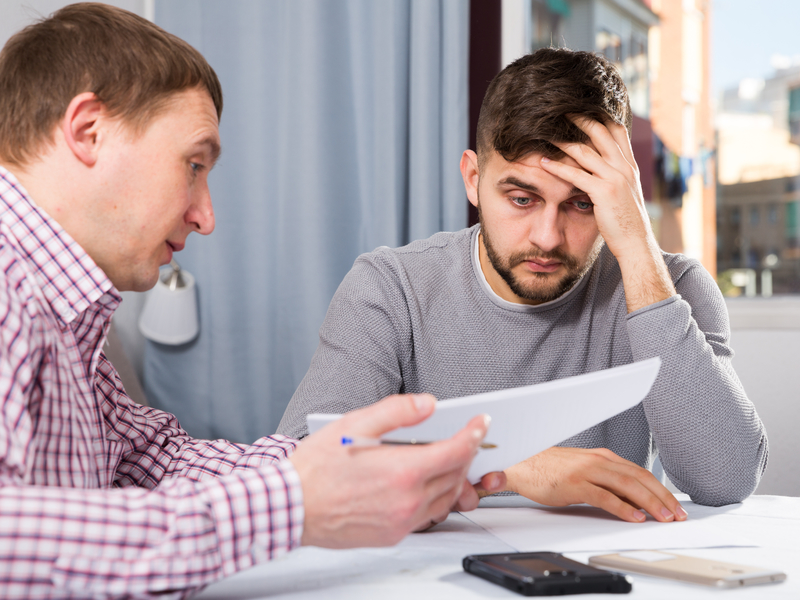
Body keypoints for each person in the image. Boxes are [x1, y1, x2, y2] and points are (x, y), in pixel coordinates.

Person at [0, 4, 505, 598]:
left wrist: (356, 474)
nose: (205, 217)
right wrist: (293, 504)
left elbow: (154, 458)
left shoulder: (66, 315)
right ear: (89, 131)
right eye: (193, 165)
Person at [278, 48, 769, 521]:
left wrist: (638, 246)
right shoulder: (390, 289)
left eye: (581, 203)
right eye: (521, 198)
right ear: (473, 179)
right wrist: (511, 467)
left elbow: (724, 479)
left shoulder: (669, 286)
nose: (547, 237)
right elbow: (302, 466)